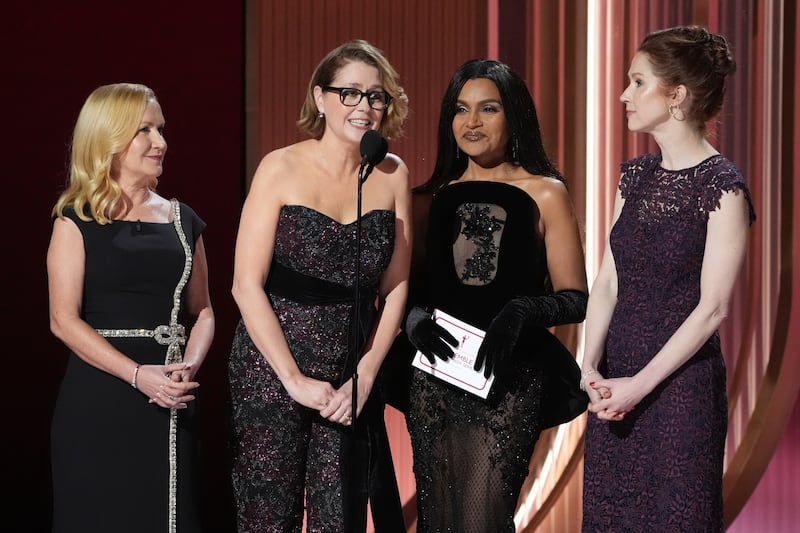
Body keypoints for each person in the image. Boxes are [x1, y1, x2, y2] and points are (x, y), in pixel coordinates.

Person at [227, 39, 411, 532]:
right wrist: (292, 379)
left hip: (347, 377)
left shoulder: (392, 175)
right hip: (271, 370)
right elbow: (245, 285)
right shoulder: (279, 166)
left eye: (375, 96)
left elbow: (396, 287)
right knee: (269, 517)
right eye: (349, 93)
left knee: (339, 518)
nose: (364, 106)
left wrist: (366, 373)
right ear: (320, 97)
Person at [581, 26, 756, 532]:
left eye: (638, 82)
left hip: (680, 395)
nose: (624, 95)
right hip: (613, 387)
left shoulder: (723, 187)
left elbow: (713, 308)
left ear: (676, 95)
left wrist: (638, 387)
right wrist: (588, 365)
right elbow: (608, 282)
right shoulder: (633, 177)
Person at [403, 59, 589, 533]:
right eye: (460, 109)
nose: (472, 122)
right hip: (436, 380)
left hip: (510, 381)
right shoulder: (427, 199)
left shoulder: (546, 193)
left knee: (483, 520)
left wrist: (521, 311)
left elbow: (575, 298)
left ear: (515, 116)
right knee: (438, 520)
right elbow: (409, 291)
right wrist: (413, 319)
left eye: (488, 108)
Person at [47, 83, 215, 533]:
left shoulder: (182, 220)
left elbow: (203, 312)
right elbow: (62, 320)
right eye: (145, 130)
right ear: (108, 138)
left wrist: (186, 367)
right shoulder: (75, 219)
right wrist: (138, 375)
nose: (160, 142)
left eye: (161, 129)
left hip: (171, 397)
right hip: (98, 397)